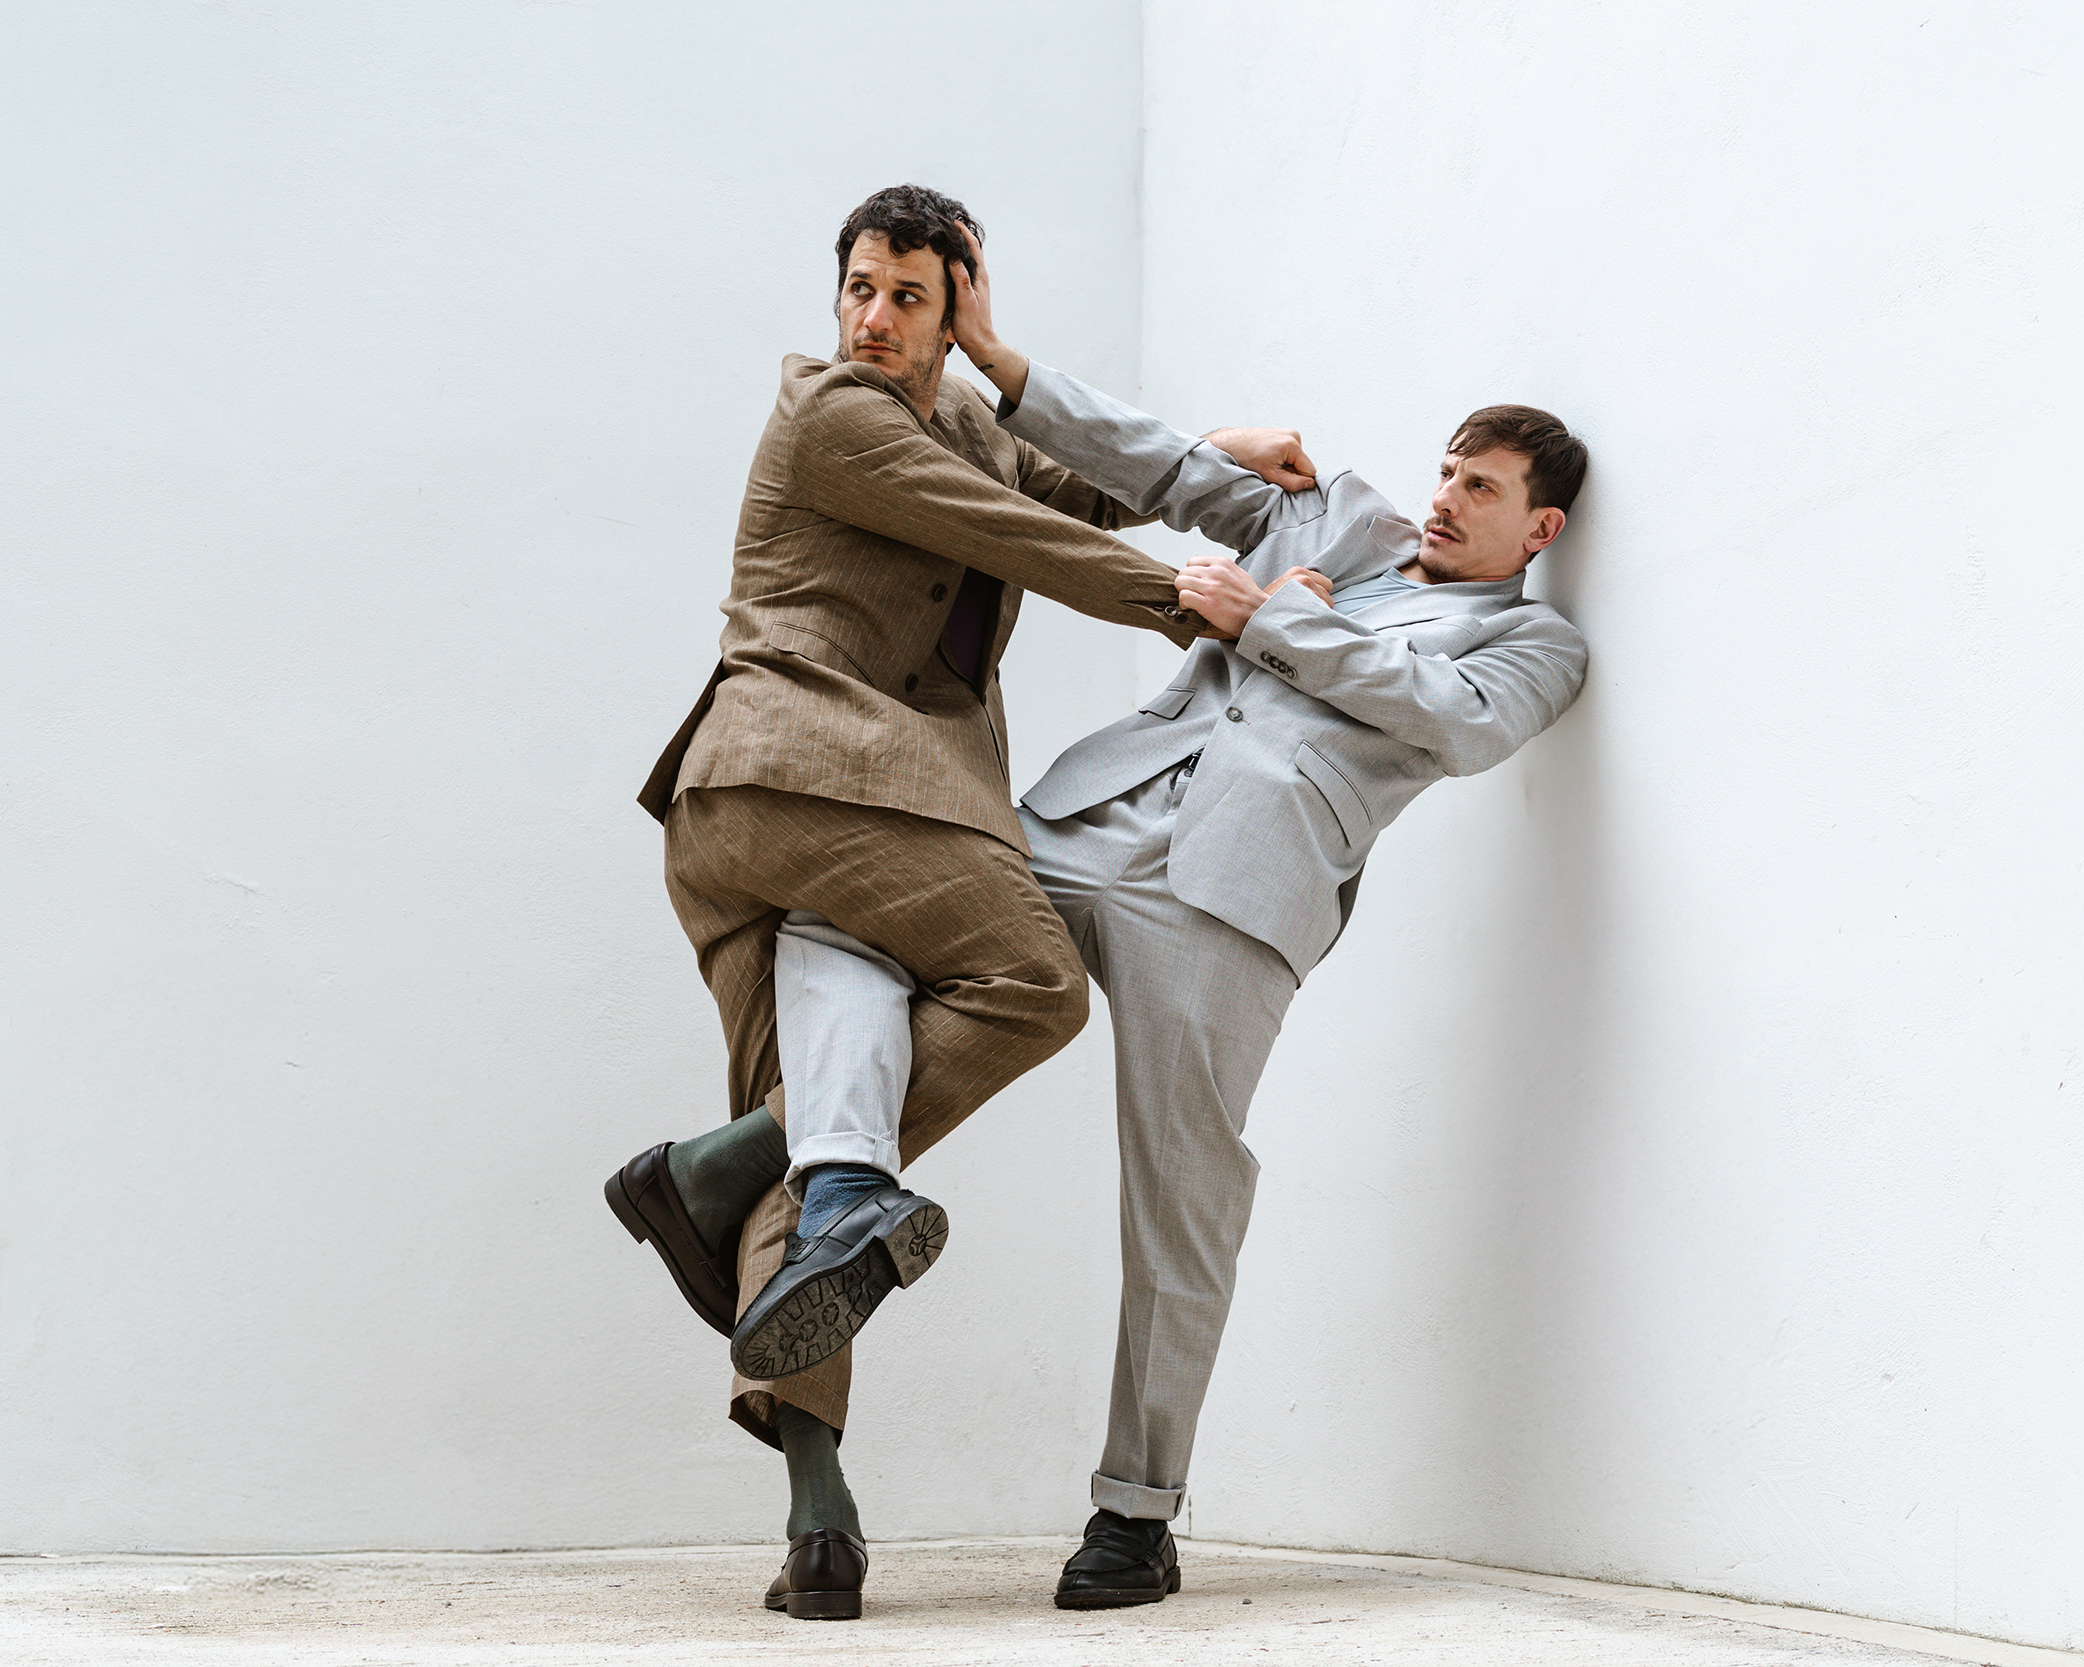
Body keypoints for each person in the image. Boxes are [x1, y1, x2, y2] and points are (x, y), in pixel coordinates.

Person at [601, 183, 1314, 1622]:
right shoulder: (833, 415)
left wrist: (1209, 455)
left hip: (843, 810)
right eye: (859, 290)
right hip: (804, 779)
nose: (873, 319)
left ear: (956, 306)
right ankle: (722, 1167)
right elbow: (1023, 536)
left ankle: (817, 1515)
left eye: (908, 297)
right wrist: (1190, 599)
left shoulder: (967, 420)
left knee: (833, 1148)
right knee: (1035, 982)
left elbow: (1063, 492)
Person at [945, 242, 1591, 1606]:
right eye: (1445, 472)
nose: (1444, 499)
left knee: (1183, 1191)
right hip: (1090, 818)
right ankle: (784, 1161)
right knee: (883, 910)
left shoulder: (1533, 648)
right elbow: (1169, 469)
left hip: (1235, 896)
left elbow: (1453, 725)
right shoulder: (1338, 526)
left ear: (1539, 531)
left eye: (1481, 488)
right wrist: (1003, 365)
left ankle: (1136, 1513)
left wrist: (1268, 624)